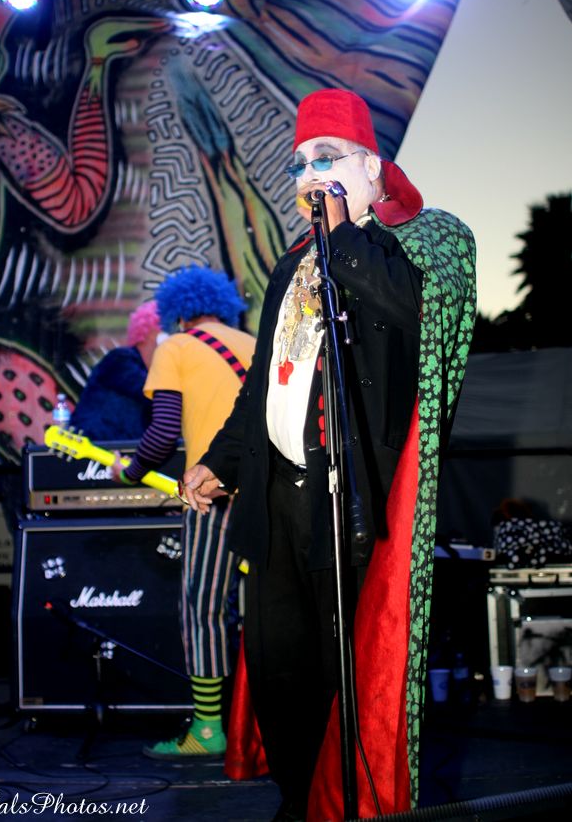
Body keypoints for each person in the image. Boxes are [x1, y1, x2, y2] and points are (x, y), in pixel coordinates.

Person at [182, 88, 477, 820]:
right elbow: (264, 384)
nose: (311, 173)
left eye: (328, 158)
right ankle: (298, 803)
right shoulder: (289, 266)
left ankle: (347, 806)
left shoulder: (426, 238)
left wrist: (340, 234)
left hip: (350, 499)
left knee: (342, 668)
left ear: (372, 168)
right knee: (280, 673)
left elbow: (411, 310)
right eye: (301, 162)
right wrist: (221, 460)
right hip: (276, 500)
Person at [112, 266, 255, 758]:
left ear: (177, 311)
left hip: (212, 493)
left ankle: (209, 729)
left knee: (203, 607)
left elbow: (161, 434)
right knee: (261, 609)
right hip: (268, 495)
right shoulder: (252, 343)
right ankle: (259, 724)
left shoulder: (176, 346)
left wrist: (130, 472)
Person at [69, 300, 161, 441]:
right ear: (151, 332)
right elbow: (149, 389)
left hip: (119, 451)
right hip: (91, 446)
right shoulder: (121, 359)